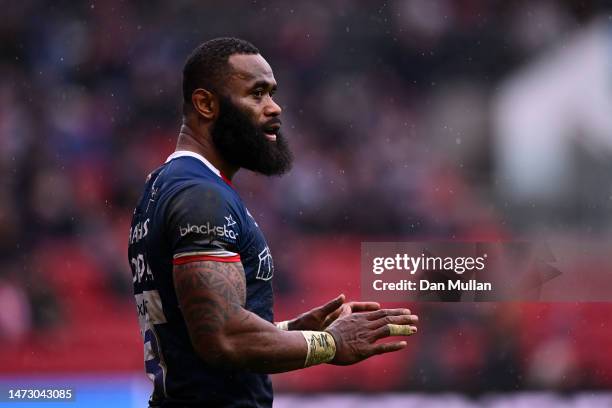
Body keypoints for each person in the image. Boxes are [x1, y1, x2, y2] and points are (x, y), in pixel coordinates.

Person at [128, 37, 418, 408]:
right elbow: (223, 337)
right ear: (205, 104)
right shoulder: (200, 196)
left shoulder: (169, 186)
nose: (274, 108)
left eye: (272, 93)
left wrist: (292, 332)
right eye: (257, 93)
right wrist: (330, 344)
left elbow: (195, 333)